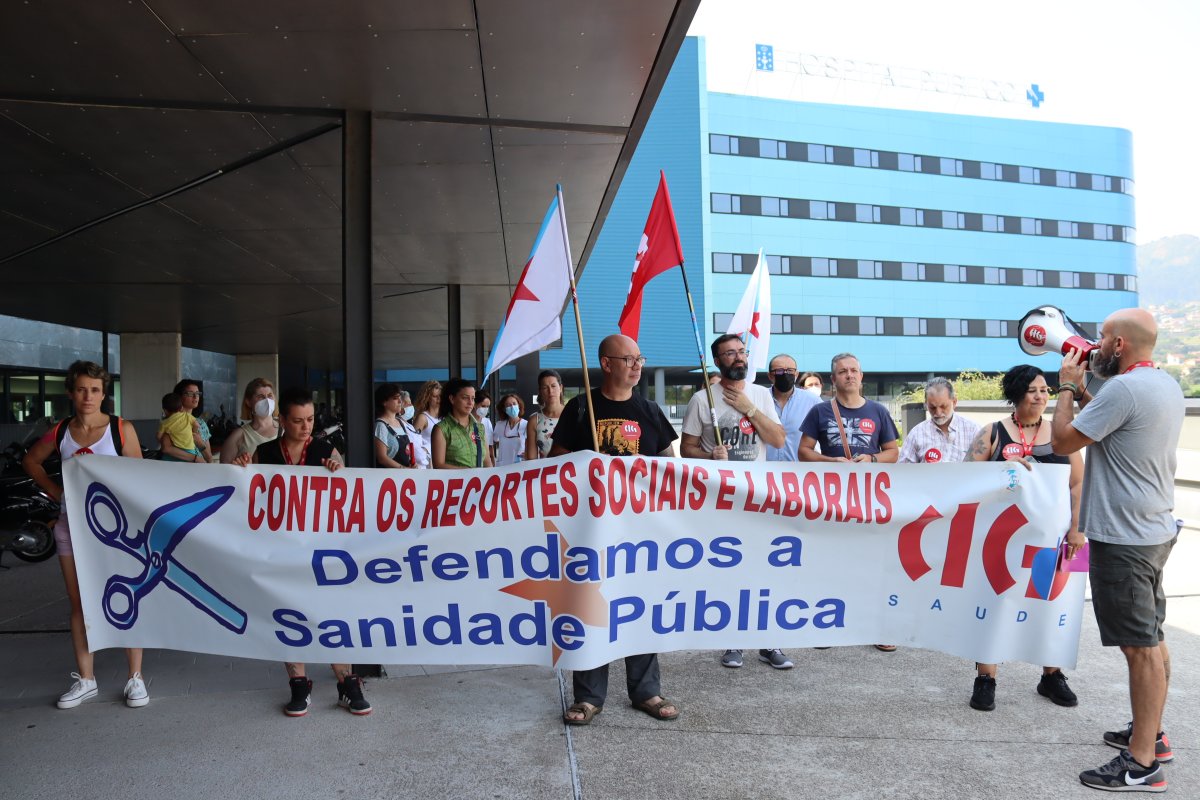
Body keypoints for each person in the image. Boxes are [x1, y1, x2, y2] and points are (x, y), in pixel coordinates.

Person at [1051, 309, 1182, 792]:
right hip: (1152, 530)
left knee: (1138, 647)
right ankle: (1152, 735)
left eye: (1103, 337)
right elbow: (1112, 420)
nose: (1095, 344)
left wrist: (1067, 388)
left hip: (1124, 538)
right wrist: (1087, 393)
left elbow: (1062, 440)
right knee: (1152, 636)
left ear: (1120, 345)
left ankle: (1142, 764)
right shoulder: (1161, 384)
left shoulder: (1124, 389)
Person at [549, 333, 680, 725]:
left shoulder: (650, 410)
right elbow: (554, 463)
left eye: (640, 359)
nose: (637, 366)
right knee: (591, 605)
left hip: (639, 531)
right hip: (590, 530)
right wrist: (588, 462)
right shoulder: (579, 408)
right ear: (606, 363)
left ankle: (646, 691)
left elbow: (669, 467)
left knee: (639, 605)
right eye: (629, 359)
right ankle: (588, 696)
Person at [233, 387, 370, 717]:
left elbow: (347, 495)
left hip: (322, 547)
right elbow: (245, 496)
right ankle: (298, 683)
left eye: (310, 419)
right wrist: (240, 470)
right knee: (287, 611)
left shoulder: (324, 449)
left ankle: (346, 681)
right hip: (281, 548)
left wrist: (338, 471)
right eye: (298, 421)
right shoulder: (265, 453)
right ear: (282, 420)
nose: (306, 426)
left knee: (331, 611)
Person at [22, 360, 148, 709]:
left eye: (94, 390)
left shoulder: (121, 429)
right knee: (78, 602)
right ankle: (87, 679)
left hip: (114, 532)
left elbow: (141, 477)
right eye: (81, 389)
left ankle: (135, 677)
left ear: (104, 394)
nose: (87, 396)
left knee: (125, 597)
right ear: (70, 393)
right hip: (71, 526)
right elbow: (31, 461)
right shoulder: (60, 432)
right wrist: (57, 493)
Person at [961, 366, 1083, 710]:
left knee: (1054, 604)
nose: (1041, 396)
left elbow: (1078, 483)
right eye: (1033, 390)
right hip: (1001, 540)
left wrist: (1078, 528)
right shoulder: (993, 432)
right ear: (1016, 393)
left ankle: (1052, 675)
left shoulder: (1063, 433)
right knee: (993, 604)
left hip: (1053, 540)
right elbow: (964, 479)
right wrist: (1004, 470)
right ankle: (986, 678)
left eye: (1045, 390)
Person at [681, 337, 789, 669]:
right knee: (730, 570)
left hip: (758, 498)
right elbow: (686, 449)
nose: (738, 357)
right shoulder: (702, 399)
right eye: (730, 353)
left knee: (763, 570)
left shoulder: (760, 395)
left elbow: (778, 439)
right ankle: (732, 641)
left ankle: (769, 642)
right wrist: (710, 456)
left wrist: (749, 409)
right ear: (717, 360)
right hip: (720, 501)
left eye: (741, 351)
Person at [799, 352, 899, 652]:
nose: (849, 375)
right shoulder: (820, 411)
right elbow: (804, 452)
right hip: (830, 499)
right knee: (829, 561)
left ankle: (878, 627)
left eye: (854, 370)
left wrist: (872, 459)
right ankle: (825, 624)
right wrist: (830, 462)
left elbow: (892, 452)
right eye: (843, 371)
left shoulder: (878, 411)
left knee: (873, 563)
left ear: (861, 375)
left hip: (869, 499)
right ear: (834, 379)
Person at [898, 377, 980, 464]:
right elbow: (904, 469)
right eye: (932, 407)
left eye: (943, 406)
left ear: (954, 402)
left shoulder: (973, 431)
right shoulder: (916, 434)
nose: (938, 413)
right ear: (926, 404)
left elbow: (983, 467)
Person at [431, 378, 492, 469]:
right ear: (452, 399)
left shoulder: (480, 428)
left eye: (473, 398)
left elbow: (487, 462)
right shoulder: (441, 429)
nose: (470, 403)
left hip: (479, 478)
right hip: (454, 478)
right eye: (465, 398)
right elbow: (439, 466)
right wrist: (467, 472)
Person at [218, 378, 278, 464]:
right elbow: (224, 468)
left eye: (270, 395)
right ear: (248, 402)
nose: (267, 400)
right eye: (260, 397)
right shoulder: (239, 436)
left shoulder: (286, 428)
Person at [159, 379, 213, 463]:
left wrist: (200, 444)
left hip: (199, 468)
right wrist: (195, 458)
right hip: (176, 467)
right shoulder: (172, 420)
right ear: (179, 397)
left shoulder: (201, 423)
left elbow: (209, 458)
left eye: (197, 393)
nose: (195, 397)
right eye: (190, 393)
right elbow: (166, 448)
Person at [373, 383, 414, 469]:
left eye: (400, 398)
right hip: (389, 475)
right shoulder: (381, 425)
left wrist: (412, 464)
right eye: (395, 398)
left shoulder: (400, 422)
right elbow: (382, 458)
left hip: (406, 474)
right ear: (384, 402)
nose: (400, 401)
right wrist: (403, 468)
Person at [526, 369, 565, 461]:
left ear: (560, 388)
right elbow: (532, 458)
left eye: (553, 386)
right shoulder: (534, 420)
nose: (550, 391)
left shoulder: (573, 414)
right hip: (547, 469)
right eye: (545, 388)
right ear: (540, 391)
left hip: (572, 468)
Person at [158, 391, 204, 463]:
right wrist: (194, 432)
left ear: (165, 410)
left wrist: (160, 439)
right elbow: (196, 425)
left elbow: (159, 436)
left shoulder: (164, 423)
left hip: (174, 452)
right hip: (190, 451)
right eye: (190, 393)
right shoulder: (187, 416)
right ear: (181, 408)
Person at [492, 393, 527, 466]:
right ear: (504, 409)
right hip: (503, 465)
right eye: (508, 405)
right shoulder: (499, 425)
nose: (512, 407)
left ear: (519, 405)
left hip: (520, 465)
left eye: (514, 404)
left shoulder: (526, 425)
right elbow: (494, 441)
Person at [398, 389, 431, 469]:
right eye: (407, 404)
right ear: (400, 407)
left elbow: (428, 444)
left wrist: (425, 449)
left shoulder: (410, 425)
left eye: (410, 403)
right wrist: (426, 451)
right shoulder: (399, 424)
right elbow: (418, 455)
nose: (411, 406)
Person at [411, 380, 442, 460]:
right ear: (427, 398)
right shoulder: (422, 418)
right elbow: (413, 442)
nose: (439, 399)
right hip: (427, 461)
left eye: (440, 396)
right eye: (435, 396)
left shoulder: (444, 417)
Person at [474, 390, 495, 457]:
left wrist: (492, 461)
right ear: (474, 404)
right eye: (483, 406)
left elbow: (490, 446)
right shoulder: (466, 420)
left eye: (487, 406)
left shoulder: (487, 422)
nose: (486, 409)